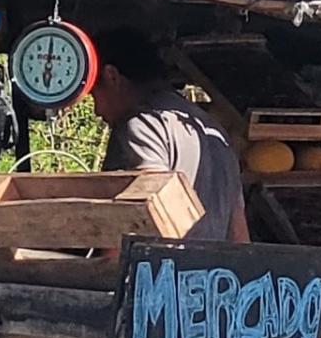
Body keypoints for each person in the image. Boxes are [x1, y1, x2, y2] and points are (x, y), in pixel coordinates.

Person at [90, 23, 249, 243]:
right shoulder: (214, 131)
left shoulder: (143, 126)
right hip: (212, 274)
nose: (97, 111)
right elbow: (239, 237)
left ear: (111, 76)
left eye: (94, 95)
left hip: (160, 274)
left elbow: (138, 219)